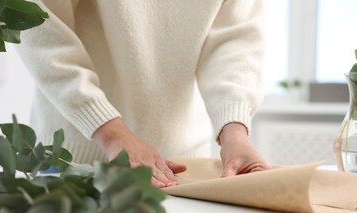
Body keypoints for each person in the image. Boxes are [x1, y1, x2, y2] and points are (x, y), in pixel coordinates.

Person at [17, 0, 271, 188]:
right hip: (73, 157)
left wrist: (234, 132)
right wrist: (112, 134)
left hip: (181, 168)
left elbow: (235, 39)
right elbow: (41, 30)